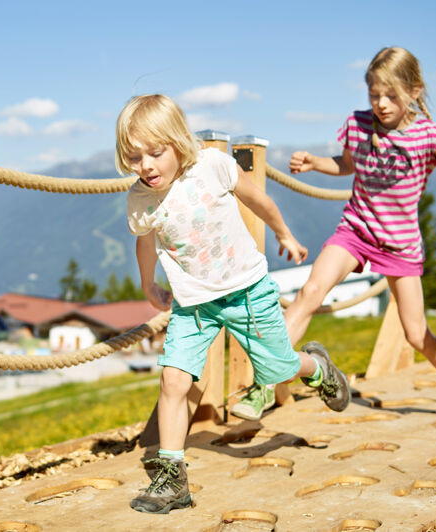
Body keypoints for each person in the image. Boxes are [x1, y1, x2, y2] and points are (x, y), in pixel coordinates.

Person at [260, 46, 436, 433]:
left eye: (391, 96)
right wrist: (316, 163)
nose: (381, 104)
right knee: (309, 292)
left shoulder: (429, 136)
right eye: (374, 95)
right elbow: (349, 164)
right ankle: (270, 377)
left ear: (415, 91)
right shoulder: (358, 124)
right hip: (356, 230)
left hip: (399, 246)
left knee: (416, 334)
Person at [117, 94, 351, 514]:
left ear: (178, 142)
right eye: (134, 157)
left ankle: (317, 367)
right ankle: (173, 480)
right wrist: (148, 285)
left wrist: (284, 234)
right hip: (193, 304)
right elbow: (146, 242)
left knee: (278, 368)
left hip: (246, 290)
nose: (146, 166)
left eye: (155, 153)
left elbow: (258, 200)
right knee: (173, 381)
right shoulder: (141, 199)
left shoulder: (212, 165)